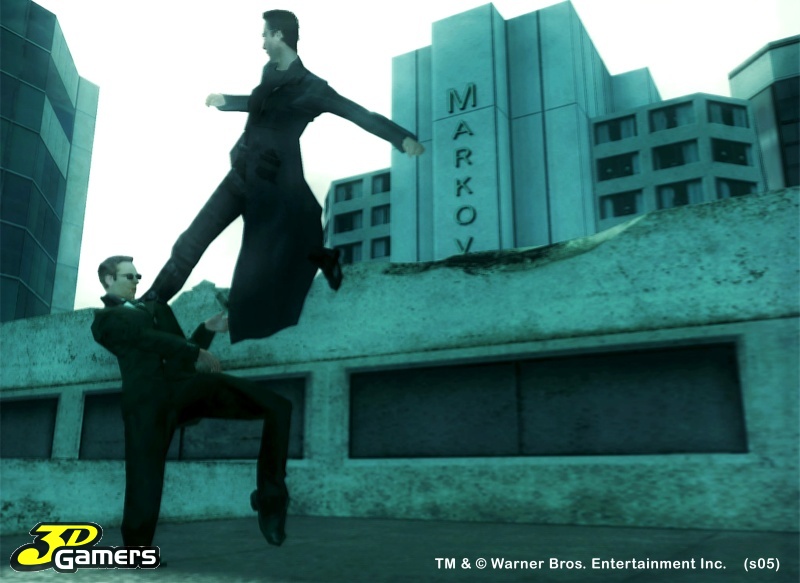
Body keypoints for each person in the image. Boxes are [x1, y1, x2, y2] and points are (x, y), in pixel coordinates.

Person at [142, 9, 425, 343]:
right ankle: (151, 302)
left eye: (265, 35)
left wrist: (400, 138)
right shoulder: (269, 71)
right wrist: (226, 101)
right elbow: (259, 105)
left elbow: (357, 113)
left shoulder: (314, 88)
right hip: (242, 171)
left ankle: (272, 294)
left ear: (278, 35)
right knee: (192, 238)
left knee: (260, 262)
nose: (262, 42)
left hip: (271, 185)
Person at [91, 256, 292, 548]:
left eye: (138, 276)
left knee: (278, 406)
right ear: (109, 280)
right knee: (144, 480)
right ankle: (136, 550)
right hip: (147, 405)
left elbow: (181, 356)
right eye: (129, 276)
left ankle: (270, 498)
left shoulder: (157, 308)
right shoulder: (104, 320)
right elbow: (141, 338)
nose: (136, 282)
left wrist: (206, 329)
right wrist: (193, 350)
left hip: (184, 390)